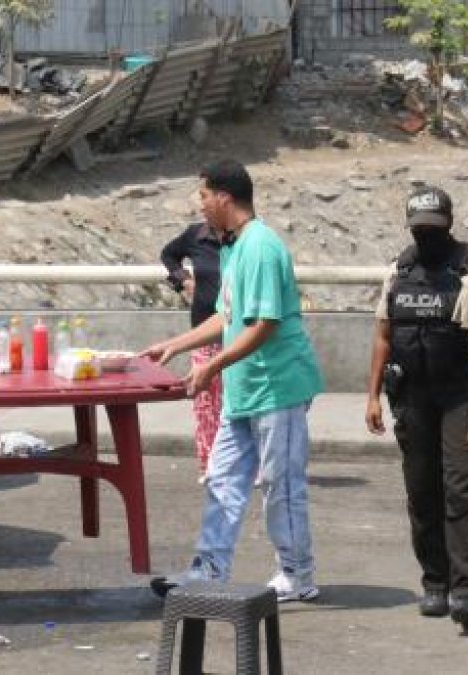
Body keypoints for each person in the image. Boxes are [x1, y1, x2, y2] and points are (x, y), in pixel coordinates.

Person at [141, 159, 325, 602]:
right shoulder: (234, 247)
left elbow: (264, 324)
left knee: (280, 487)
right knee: (222, 481)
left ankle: (298, 574)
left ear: (224, 197)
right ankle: (208, 570)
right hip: (244, 390)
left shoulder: (261, 246)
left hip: (277, 388)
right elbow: (228, 316)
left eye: (203, 196)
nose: (200, 206)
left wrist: (212, 366)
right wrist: (177, 345)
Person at [364, 186, 468, 631]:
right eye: (419, 229)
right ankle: (435, 584)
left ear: (450, 224)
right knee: (423, 494)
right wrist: (371, 398)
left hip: (462, 395)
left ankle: (467, 593)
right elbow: (384, 335)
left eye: (434, 229)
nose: (427, 236)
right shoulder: (399, 271)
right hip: (413, 396)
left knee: (464, 492)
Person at [161, 221, 223, 481]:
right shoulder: (196, 234)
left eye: (206, 197)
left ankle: (243, 464)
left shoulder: (245, 237)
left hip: (239, 332)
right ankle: (209, 464)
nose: (203, 206)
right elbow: (168, 254)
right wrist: (184, 281)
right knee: (206, 402)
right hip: (202, 331)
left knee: (236, 401)